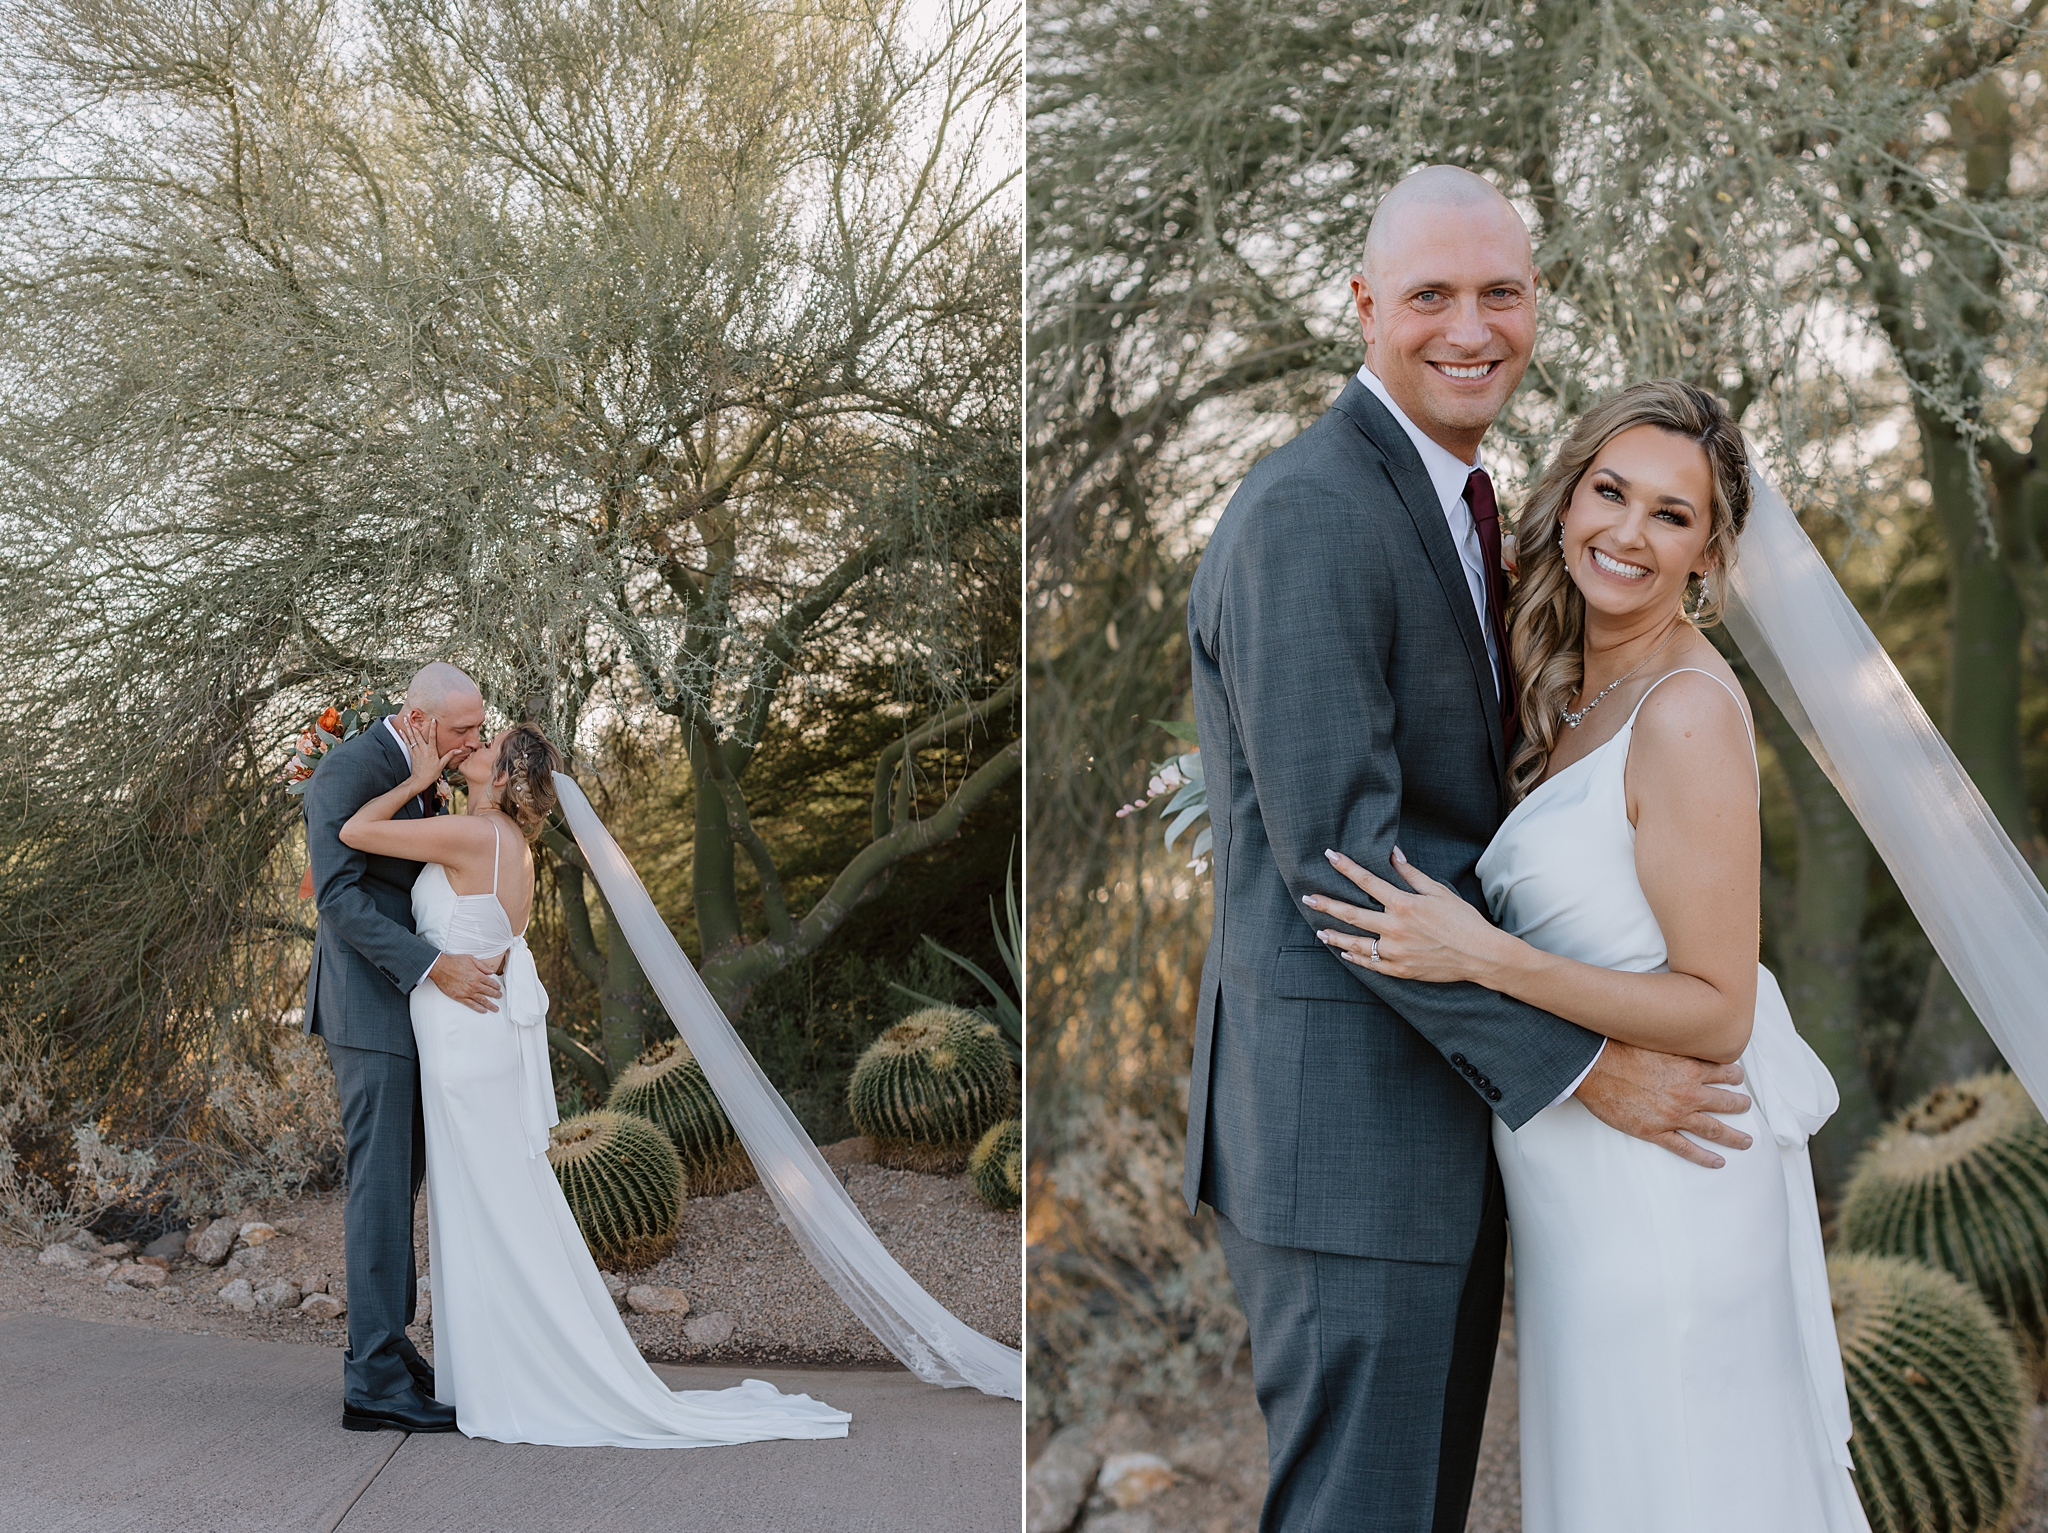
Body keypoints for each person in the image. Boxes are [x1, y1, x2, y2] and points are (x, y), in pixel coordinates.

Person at [1181, 167, 1756, 1533]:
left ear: (1535, 306)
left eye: (1500, 292)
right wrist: (1579, 1073)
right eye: (1431, 293)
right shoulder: (1315, 511)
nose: (1470, 325)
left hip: (1423, 1127)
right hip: (1349, 1140)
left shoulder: (1450, 501)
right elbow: (1347, 868)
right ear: (1365, 304)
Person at [1311, 381, 1866, 1529]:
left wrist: (1484, 958)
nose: (1627, 532)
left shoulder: (1684, 714)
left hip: (1670, 1178)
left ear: (1708, 551)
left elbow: (1715, 1009)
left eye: (1671, 514)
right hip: (1579, 1183)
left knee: (1679, 1485)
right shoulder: (1568, 683)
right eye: (1609, 493)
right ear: (1564, 503)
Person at [337, 708, 852, 1447]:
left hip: (460, 1043)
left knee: (486, 1208)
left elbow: (354, 832)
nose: (472, 747)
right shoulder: (510, 843)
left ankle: (514, 1373)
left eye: (485, 745)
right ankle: (500, 1367)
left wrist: (418, 778)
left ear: (507, 775)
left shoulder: (473, 834)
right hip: (477, 1041)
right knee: (496, 1204)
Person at [301, 662, 501, 1433]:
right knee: (379, 1188)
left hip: (412, 1008)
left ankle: (388, 1348)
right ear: (418, 717)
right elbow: (338, 897)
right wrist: (433, 964)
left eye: (479, 729)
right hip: (369, 1007)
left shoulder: (423, 772)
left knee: (402, 1183)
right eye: (462, 731)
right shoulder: (351, 769)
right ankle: (373, 1381)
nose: (473, 742)